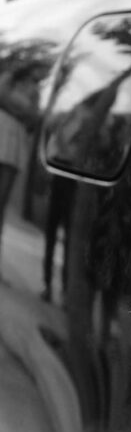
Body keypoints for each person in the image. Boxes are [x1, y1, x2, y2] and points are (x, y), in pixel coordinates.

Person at [0, 67, 41, 280]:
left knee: (1, 204)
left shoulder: (35, 90)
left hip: (15, 141)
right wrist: (19, 111)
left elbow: (34, 116)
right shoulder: (9, 76)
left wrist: (14, 109)